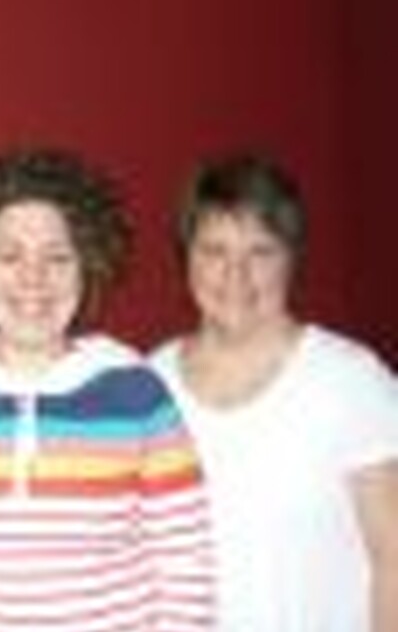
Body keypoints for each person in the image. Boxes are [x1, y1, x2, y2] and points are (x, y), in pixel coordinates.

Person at [0, 149, 215, 631]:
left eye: (57, 257)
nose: (33, 278)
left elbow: (186, 564)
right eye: (10, 256)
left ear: (86, 268)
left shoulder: (140, 398)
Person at [150, 152, 398, 632]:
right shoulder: (149, 385)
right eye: (214, 251)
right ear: (187, 258)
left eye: (260, 252)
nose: (236, 275)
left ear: (291, 259)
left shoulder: (351, 381)